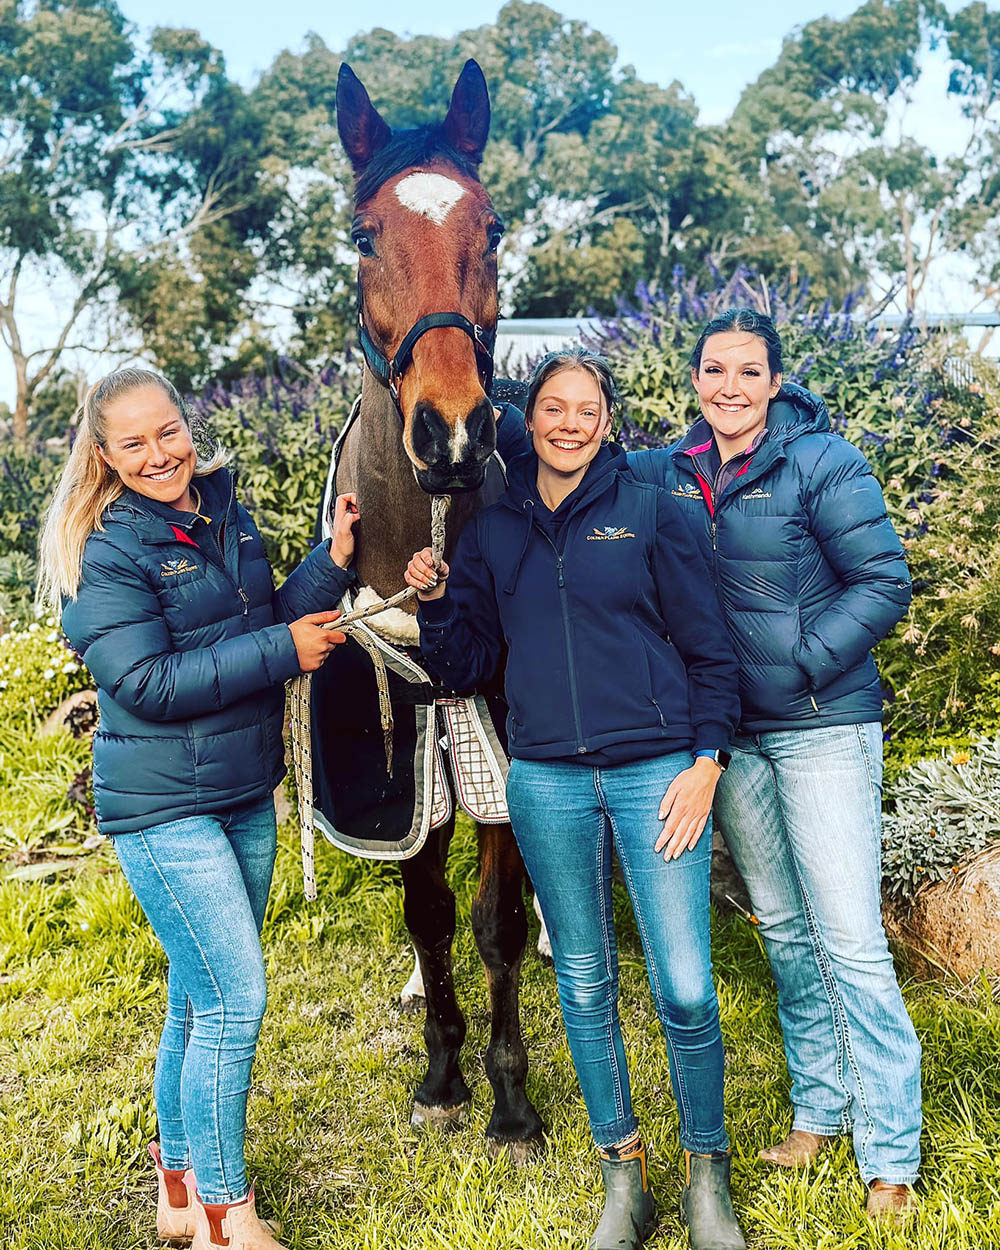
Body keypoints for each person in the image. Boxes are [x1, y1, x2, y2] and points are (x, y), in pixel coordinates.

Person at [407, 349, 746, 1250]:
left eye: (585, 408)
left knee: (684, 987)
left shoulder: (649, 510)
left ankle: (706, 1178)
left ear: (607, 419)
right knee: (585, 985)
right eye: (552, 406)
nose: (567, 422)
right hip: (547, 780)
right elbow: (470, 666)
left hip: (655, 776)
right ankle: (622, 1179)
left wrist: (706, 760)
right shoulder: (493, 531)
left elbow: (710, 649)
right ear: (532, 418)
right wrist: (437, 604)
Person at [39, 369, 359, 1250]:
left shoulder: (219, 507)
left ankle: (177, 1189)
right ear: (103, 456)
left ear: (189, 427)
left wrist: (329, 561)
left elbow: (258, 624)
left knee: (198, 995)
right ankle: (228, 1218)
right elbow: (142, 681)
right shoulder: (108, 548)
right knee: (235, 1002)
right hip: (163, 810)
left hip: (241, 791)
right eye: (133, 443)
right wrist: (283, 649)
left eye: (168, 432)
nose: (159, 454)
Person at [622, 309, 923, 1220]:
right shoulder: (669, 474)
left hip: (824, 723)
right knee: (786, 931)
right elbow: (574, 465)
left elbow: (885, 581)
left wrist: (795, 666)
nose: (730, 388)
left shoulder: (821, 460)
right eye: (714, 371)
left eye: (749, 372)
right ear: (694, 379)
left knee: (850, 937)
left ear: (775, 380)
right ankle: (819, 1111)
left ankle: (891, 1152)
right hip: (734, 738)